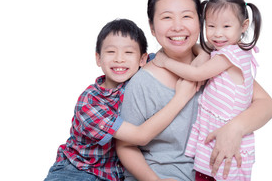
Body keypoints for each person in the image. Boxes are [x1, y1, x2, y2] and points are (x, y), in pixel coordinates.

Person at [116, 0, 272, 181]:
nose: (177, 26)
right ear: (152, 27)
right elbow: (124, 145)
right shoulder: (142, 82)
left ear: (200, 21)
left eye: (186, 16)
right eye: (167, 17)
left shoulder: (217, 63)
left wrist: (235, 128)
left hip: (210, 173)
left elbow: (267, 105)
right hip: (161, 174)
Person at [44, 19, 198, 181]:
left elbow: (185, 47)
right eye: (111, 52)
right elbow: (140, 136)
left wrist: (200, 58)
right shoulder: (90, 103)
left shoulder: (145, 73)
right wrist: (181, 97)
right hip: (79, 170)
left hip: (117, 175)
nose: (119, 59)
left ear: (143, 59)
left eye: (128, 52)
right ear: (98, 58)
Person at [153, 0, 262, 180]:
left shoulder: (230, 54)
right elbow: (205, 49)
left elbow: (196, 74)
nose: (217, 34)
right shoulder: (228, 50)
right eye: (211, 26)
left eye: (226, 26)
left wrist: (164, 61)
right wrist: (201, 52)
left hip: (225, 135)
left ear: (244, 26)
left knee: (219, 171)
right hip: (216, 130)